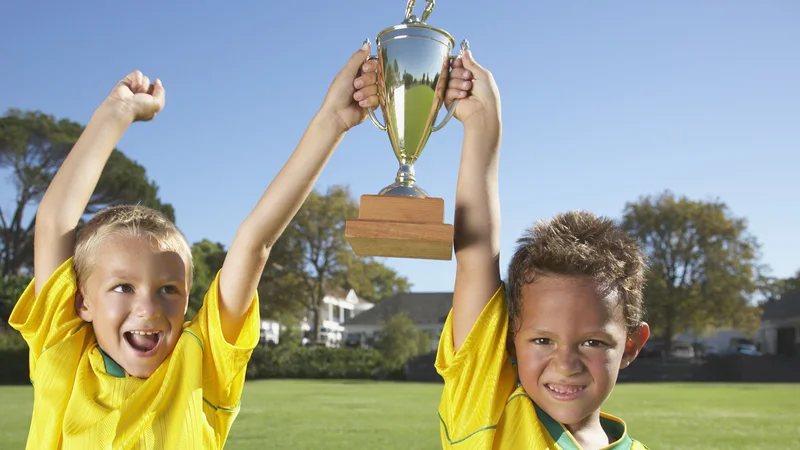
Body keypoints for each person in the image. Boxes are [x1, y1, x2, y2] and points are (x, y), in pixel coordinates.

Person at [9, 41, 462, 449]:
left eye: (168, 289)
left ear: (187, 298)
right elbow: (54, 222)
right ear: (82, 301)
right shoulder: (62, 354)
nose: (148, 308)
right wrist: (117, 114)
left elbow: (253, 242)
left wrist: (333, 122)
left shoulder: (202, 361)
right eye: (123, 287)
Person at [435, 49, 652, 449]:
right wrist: (483, 125)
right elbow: (476, 254)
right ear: (510, 337)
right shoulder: (487, 408)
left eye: (593, 342)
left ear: (631, 345)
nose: (566, 364)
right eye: (542, 340)